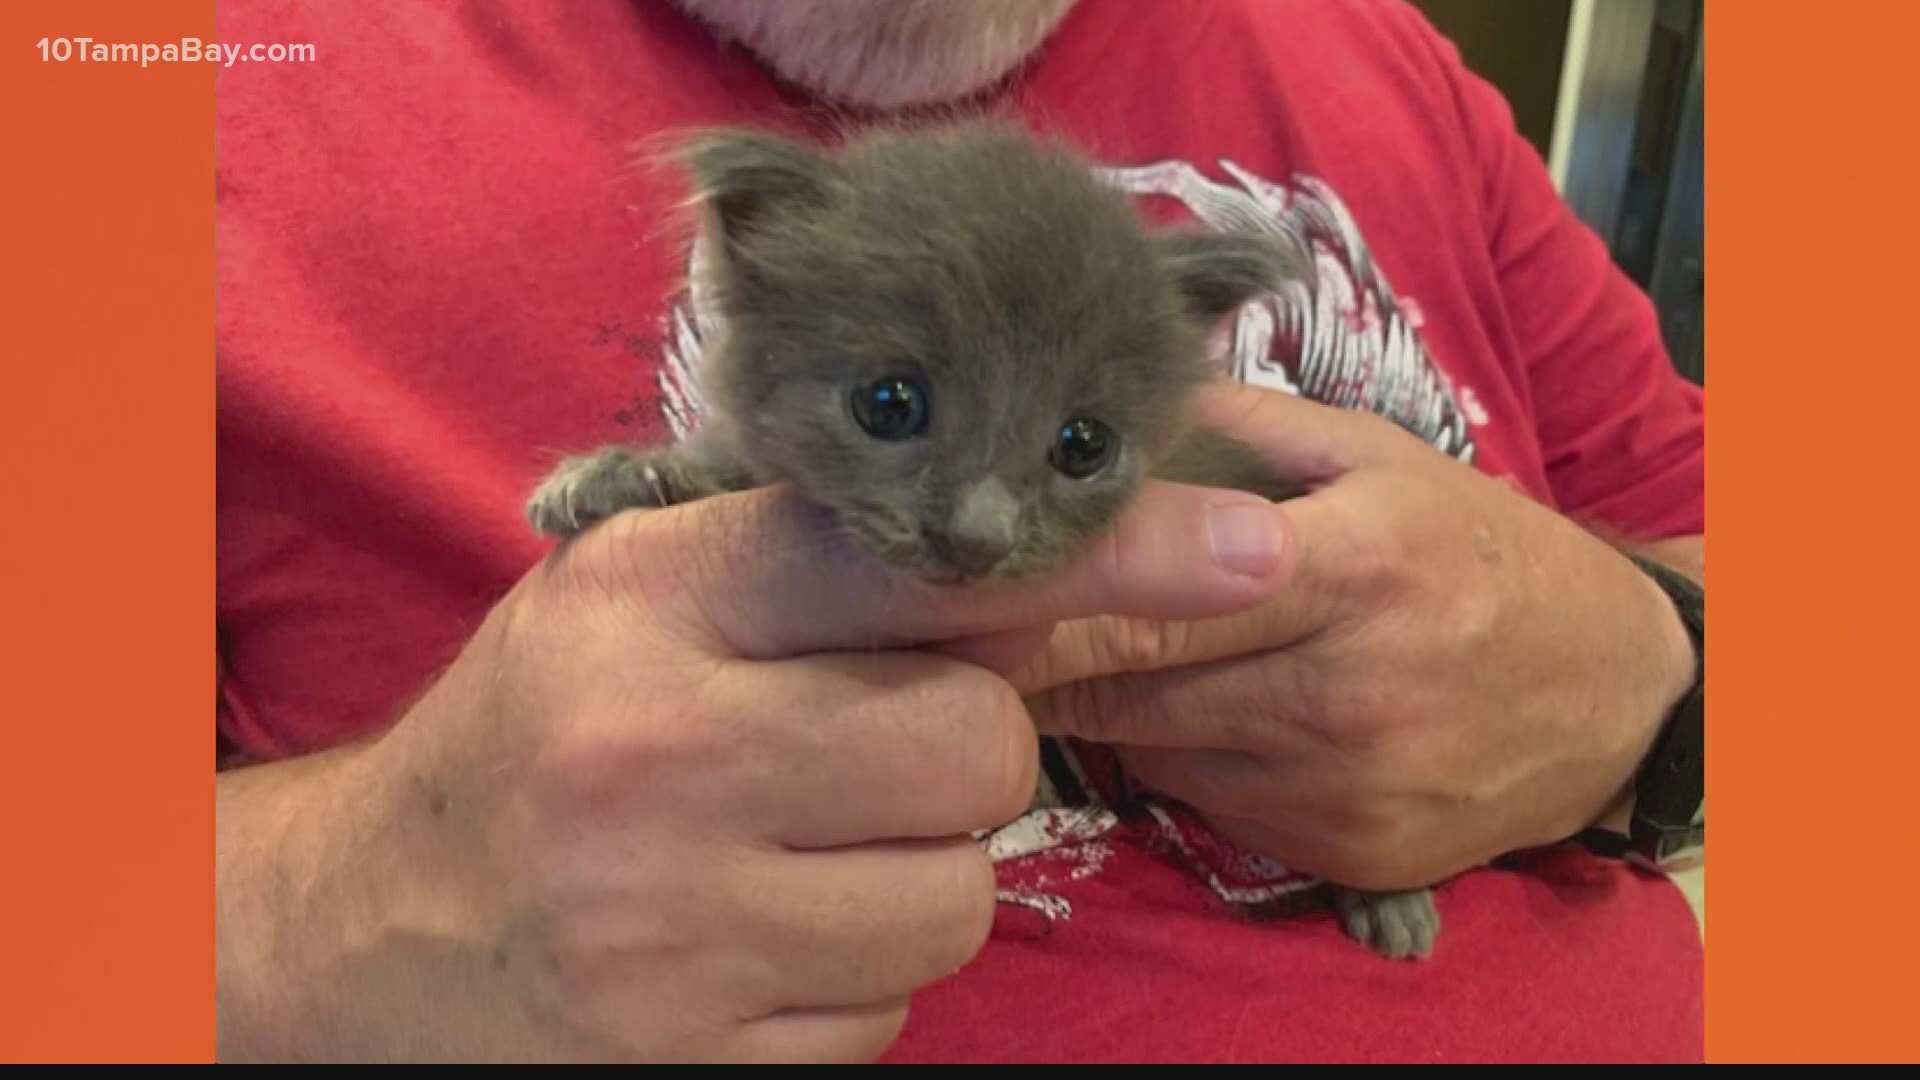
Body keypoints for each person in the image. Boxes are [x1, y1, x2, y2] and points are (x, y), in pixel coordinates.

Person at [213, 0, 1706, 1063]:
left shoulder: (1388, 53)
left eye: (1071, 453)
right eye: (888, 404)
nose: (987, 525)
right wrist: (342, 904)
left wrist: (1655, 667)